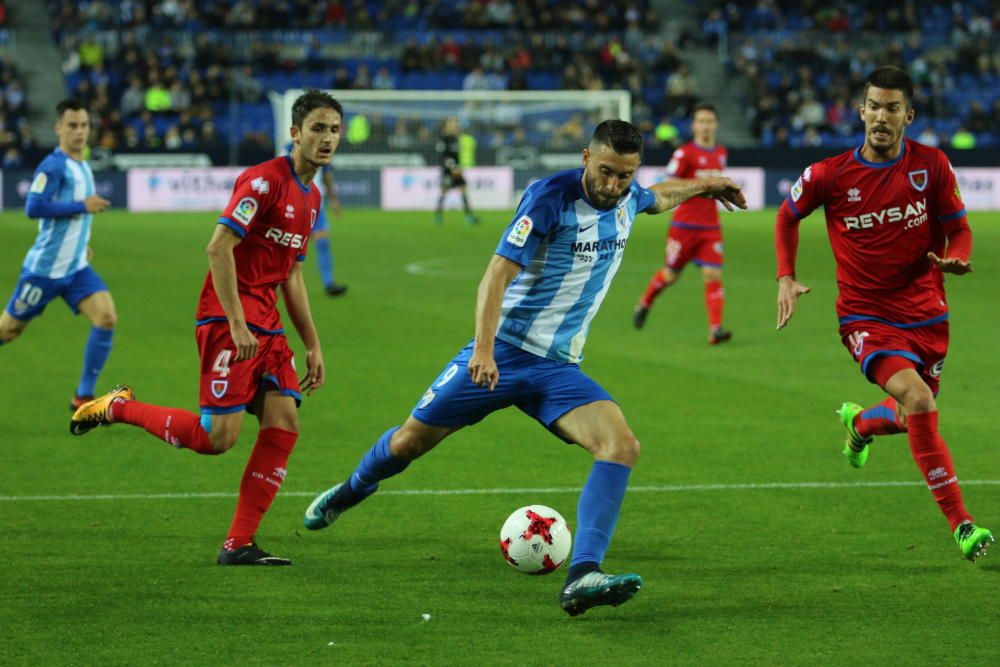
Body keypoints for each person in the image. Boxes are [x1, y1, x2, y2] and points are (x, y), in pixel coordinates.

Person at [304, 120, 745, 614]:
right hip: (504, 353)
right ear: (585, 158)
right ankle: (350, 490)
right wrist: (485, 351)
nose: (613, 185)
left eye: (624, 175)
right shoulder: (548, 198)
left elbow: (657, 196)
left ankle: (583, 575)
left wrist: (706, 185)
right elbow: (496, 275)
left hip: (558, 369)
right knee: (408, 442)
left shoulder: (626, 197)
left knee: (620, 447)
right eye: (604, 172)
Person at [70, 90, 338, 566]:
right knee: (218, 439)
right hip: (226, 318)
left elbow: (293, 274)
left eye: (334, 130)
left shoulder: (312, 196)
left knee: (285, 420)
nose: (327, 138)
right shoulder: (263, 182)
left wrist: (313, 344)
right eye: (317, 128)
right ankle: (117, 408)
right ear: (294, 133)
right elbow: (218, 248)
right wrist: (236, 322)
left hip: (267, 326)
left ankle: (239, 543)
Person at [774, 66, 993, 562]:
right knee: (919, 400)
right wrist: (785, 275)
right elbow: (787, 217)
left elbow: (959, 228)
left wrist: (957, 255)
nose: (880, 115)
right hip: (865, 317)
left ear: (908, 116)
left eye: (892, 107)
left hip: (928, 314)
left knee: (913, 412)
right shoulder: (829, 175)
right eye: (873, 105)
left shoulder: (932, 166)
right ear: (861, 112)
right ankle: (962, 524)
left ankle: (863, 426)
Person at [0, 99, 114, 411]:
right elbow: (33, 207)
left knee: (106, 317)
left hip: (76, 268)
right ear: (58, 128)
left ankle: (83, 397)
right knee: (8, 331)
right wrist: (82, 206)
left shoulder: (82, 164)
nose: (79, 132)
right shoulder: (53, 166)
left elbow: (76, 221)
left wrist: (81, 244)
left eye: (84, 125)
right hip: (45, 271)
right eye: (73, 126)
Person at [634, 104, 732, 344]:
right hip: (684, 227)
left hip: (710, 228)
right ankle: (645, 302)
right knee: (670, 275)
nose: (706, 126)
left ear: (716, 125)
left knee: (712, 275)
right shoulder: (684, 154)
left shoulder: (720, 153)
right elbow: (668, 184)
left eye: (710, 121)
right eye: (701, 121)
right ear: (694, 125)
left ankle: (715, 329)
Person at [283, 140, 348, 296]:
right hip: (294, 202)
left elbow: (327, 176)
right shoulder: (288, 148)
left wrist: (334, 200)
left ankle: (329, 284)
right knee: (287, 246)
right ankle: (273, 281)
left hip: (315, 203)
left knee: (323, 242)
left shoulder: (322, 148)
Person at [434, 116, 479, 225]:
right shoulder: (444, 139)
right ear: (448, 126)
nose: (455, 126)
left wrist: (457, 166)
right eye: (453, 124)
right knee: (443, 191)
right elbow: (442, 156)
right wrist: (450, 165)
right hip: (448, 171)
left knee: (463, 189)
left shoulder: (457, 139)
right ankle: (438, 216)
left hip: (456, 170)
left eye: (456, 124)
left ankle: (469, 216)